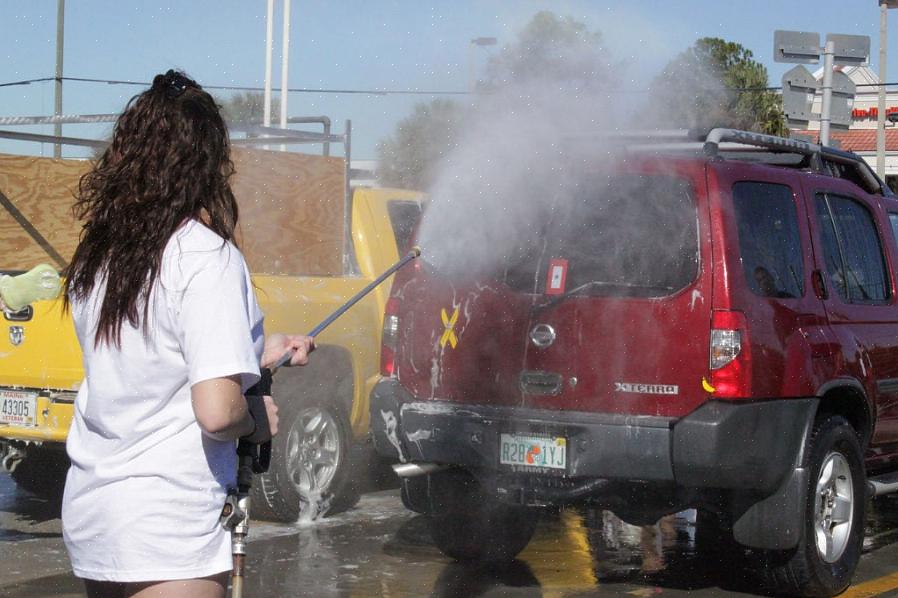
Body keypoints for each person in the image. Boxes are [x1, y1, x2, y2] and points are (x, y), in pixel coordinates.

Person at [60, 70, 314, 598]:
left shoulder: (103, 256)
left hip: (97, 514)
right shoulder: (204, 256)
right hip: (167, 526)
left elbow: (151, 355)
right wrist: (254, 422)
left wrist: (257, 352)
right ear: (206, 162)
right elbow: (218, 412)